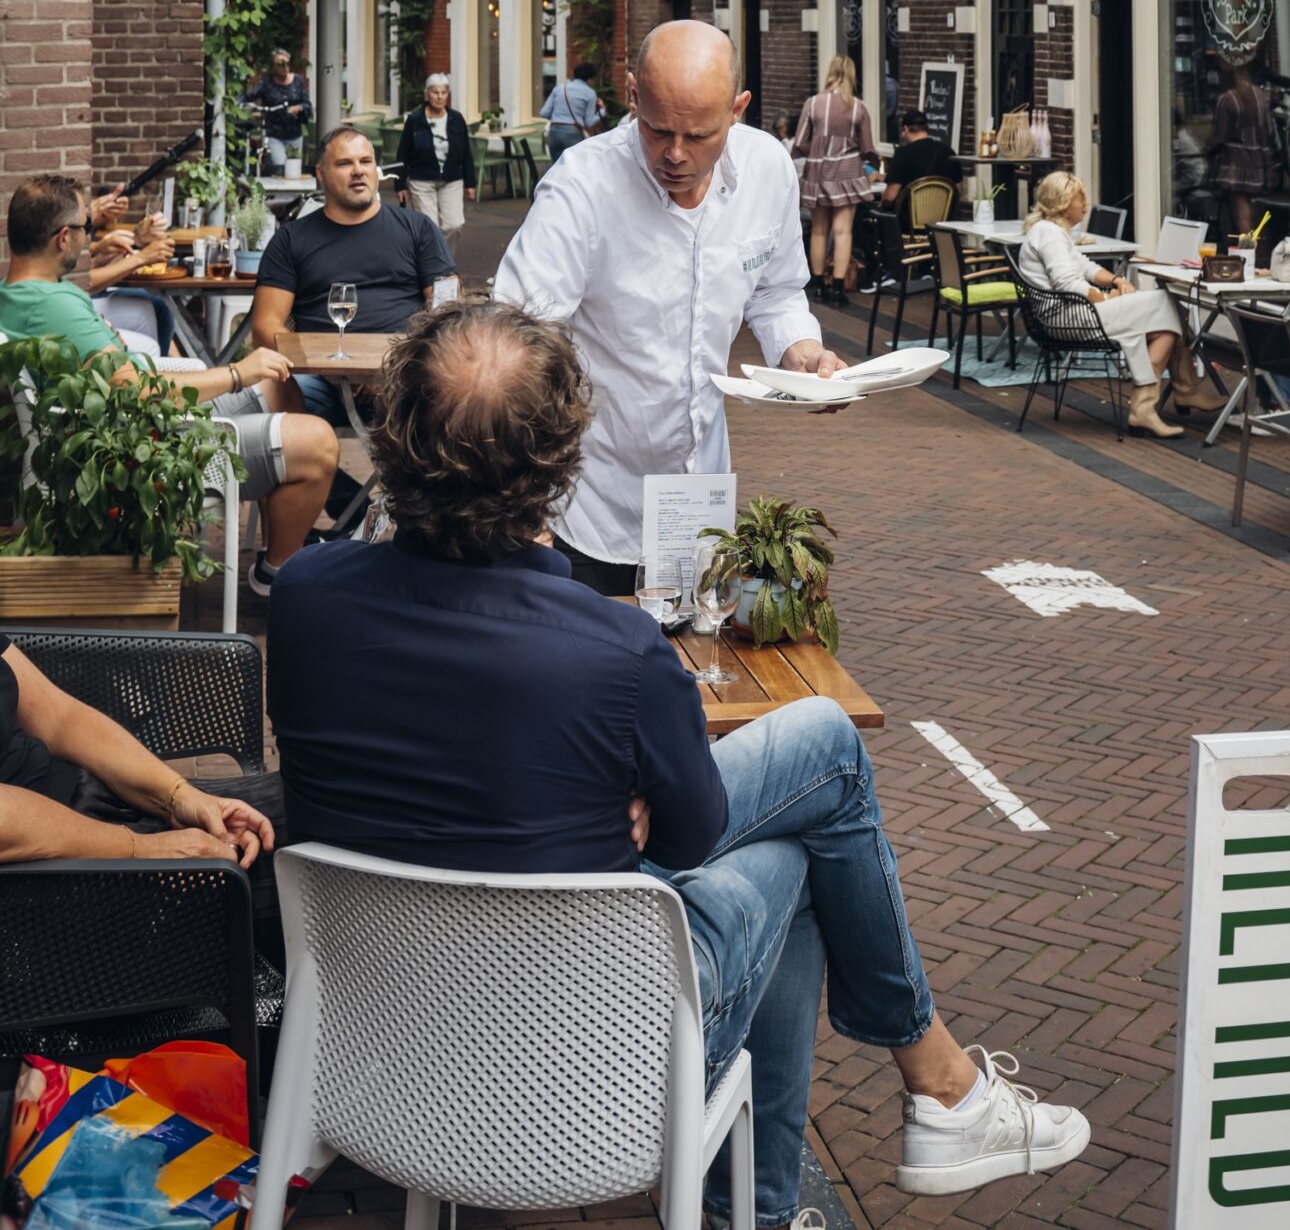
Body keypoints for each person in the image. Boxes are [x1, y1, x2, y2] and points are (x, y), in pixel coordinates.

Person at [267, 300, 1090, 1224]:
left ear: (392, 438)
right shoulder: (615, 651)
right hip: (585, 1069)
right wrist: (632, 791)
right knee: (800, 828)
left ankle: (917, 1112)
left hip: (376, 1046)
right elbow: (690, 838)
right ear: (559, 460)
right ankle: (901, 1116)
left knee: (816, 757)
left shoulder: (303, 597)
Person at [492, 21, 845, 595]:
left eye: (699, 135)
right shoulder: (581, 186)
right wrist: (522, 502)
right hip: (588, 504)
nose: (676, 154)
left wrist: (800, 351)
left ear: (737, 109)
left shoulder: (768, 169)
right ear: (633, 95)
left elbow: (776, 290)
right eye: (657, 130)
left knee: (696, 649)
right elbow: (515, 340)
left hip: (700, 506)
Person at [0, 176, 338, 592]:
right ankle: (278, 575)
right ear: (63, 237)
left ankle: (281, 539)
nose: (90, 236)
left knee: (277, 386)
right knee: (319, 442)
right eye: (87, 225)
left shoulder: (16, 293)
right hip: (149, 446)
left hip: (145, 419)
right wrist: (235, 374)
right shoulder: (55, 305)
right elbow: (134, 392)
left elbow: (118, 376)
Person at [2, 635, 276, 872]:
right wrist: (146, 850)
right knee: (278, 861)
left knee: (269, 822)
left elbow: (58, 718)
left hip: (87, 799)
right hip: (46, 859)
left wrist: (177, 796)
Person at [250, 127, 457, 429]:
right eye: (345, 163)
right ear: (321, 173)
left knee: (459, 398)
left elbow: (447, 311)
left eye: (366, 161)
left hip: (403, 374)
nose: (358, 171)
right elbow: (264, 326)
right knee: (265, 397)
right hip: (320, 379)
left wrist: (396, 366)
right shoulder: (291, 239)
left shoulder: (418, 229)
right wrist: (334, 370)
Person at [1016, 172, 1185, 437]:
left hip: (1073, 313)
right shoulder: (1050, 235)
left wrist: (1117, 280)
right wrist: (1106, 298)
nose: (1086, 203)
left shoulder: (1052, 232)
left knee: (1165, 329)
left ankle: (1154, 405)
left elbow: (1085, 267)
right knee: (1163, 300)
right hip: (1067, 319)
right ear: (1063, 203)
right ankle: (1180, 392)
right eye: (1080, 198)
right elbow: (1067, 283)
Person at [790, 55, 880, 296]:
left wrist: (818, 151)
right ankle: (838, 288)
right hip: (848, 172)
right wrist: (872, 164)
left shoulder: (813, 103)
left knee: (819, 230)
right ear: (852, 75)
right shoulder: (859, 107)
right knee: (843, 231)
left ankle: (819, 284)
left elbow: (799, 143)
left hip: (818, 171)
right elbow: (868, 147)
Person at [395, 74, 476, 259]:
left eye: (443, 92)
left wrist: (470, 182)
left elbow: (466, 152)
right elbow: (403, 153)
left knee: (454, 225)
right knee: (429, 227)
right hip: (421, 179)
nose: (439, 97)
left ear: (448, 95)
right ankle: (434, 266)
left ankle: (445, 260)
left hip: (451, 178)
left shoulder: (456, 119)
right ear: (427, 94)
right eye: (435, 92)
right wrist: (399, 184)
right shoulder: (415, 120)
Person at [1204, 59, 1271, 239]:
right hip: (1256, 161)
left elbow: (1219, 137)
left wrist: (1207, 150)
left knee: (1240, 214)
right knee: (1249, 211)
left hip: (1235, 164)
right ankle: (1253, 247)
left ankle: (1247, 250)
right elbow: (1266, 132)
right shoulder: (1260, 96)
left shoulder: (1227, 100)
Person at [883, 109, 961, 216]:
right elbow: (957, 190)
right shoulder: (948, 151)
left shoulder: (902, 154)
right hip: (942, 219)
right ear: (926, 127)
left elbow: (890, 196)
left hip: (909, 220)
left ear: (905, 129)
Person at [247, 49, 309, 170]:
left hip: (294, 133)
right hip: (274, 133)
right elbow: (251, 95)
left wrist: (299, 108)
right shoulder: (266, 82)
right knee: (279, 166)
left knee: (293, 168)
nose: (284, 67)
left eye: (287, 63)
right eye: (280, 64)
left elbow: (307, 104)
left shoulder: (297, 81)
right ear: (274, 66)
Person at [542, 61, 606, 162]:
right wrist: (602, 111)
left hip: (554, 132)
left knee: (556, 167)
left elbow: (544, 112)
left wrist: (559, 117)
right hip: (572, 132)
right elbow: (588, 122)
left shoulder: (559, 88)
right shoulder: (590, 93)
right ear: (590, 79)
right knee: (575, 165)